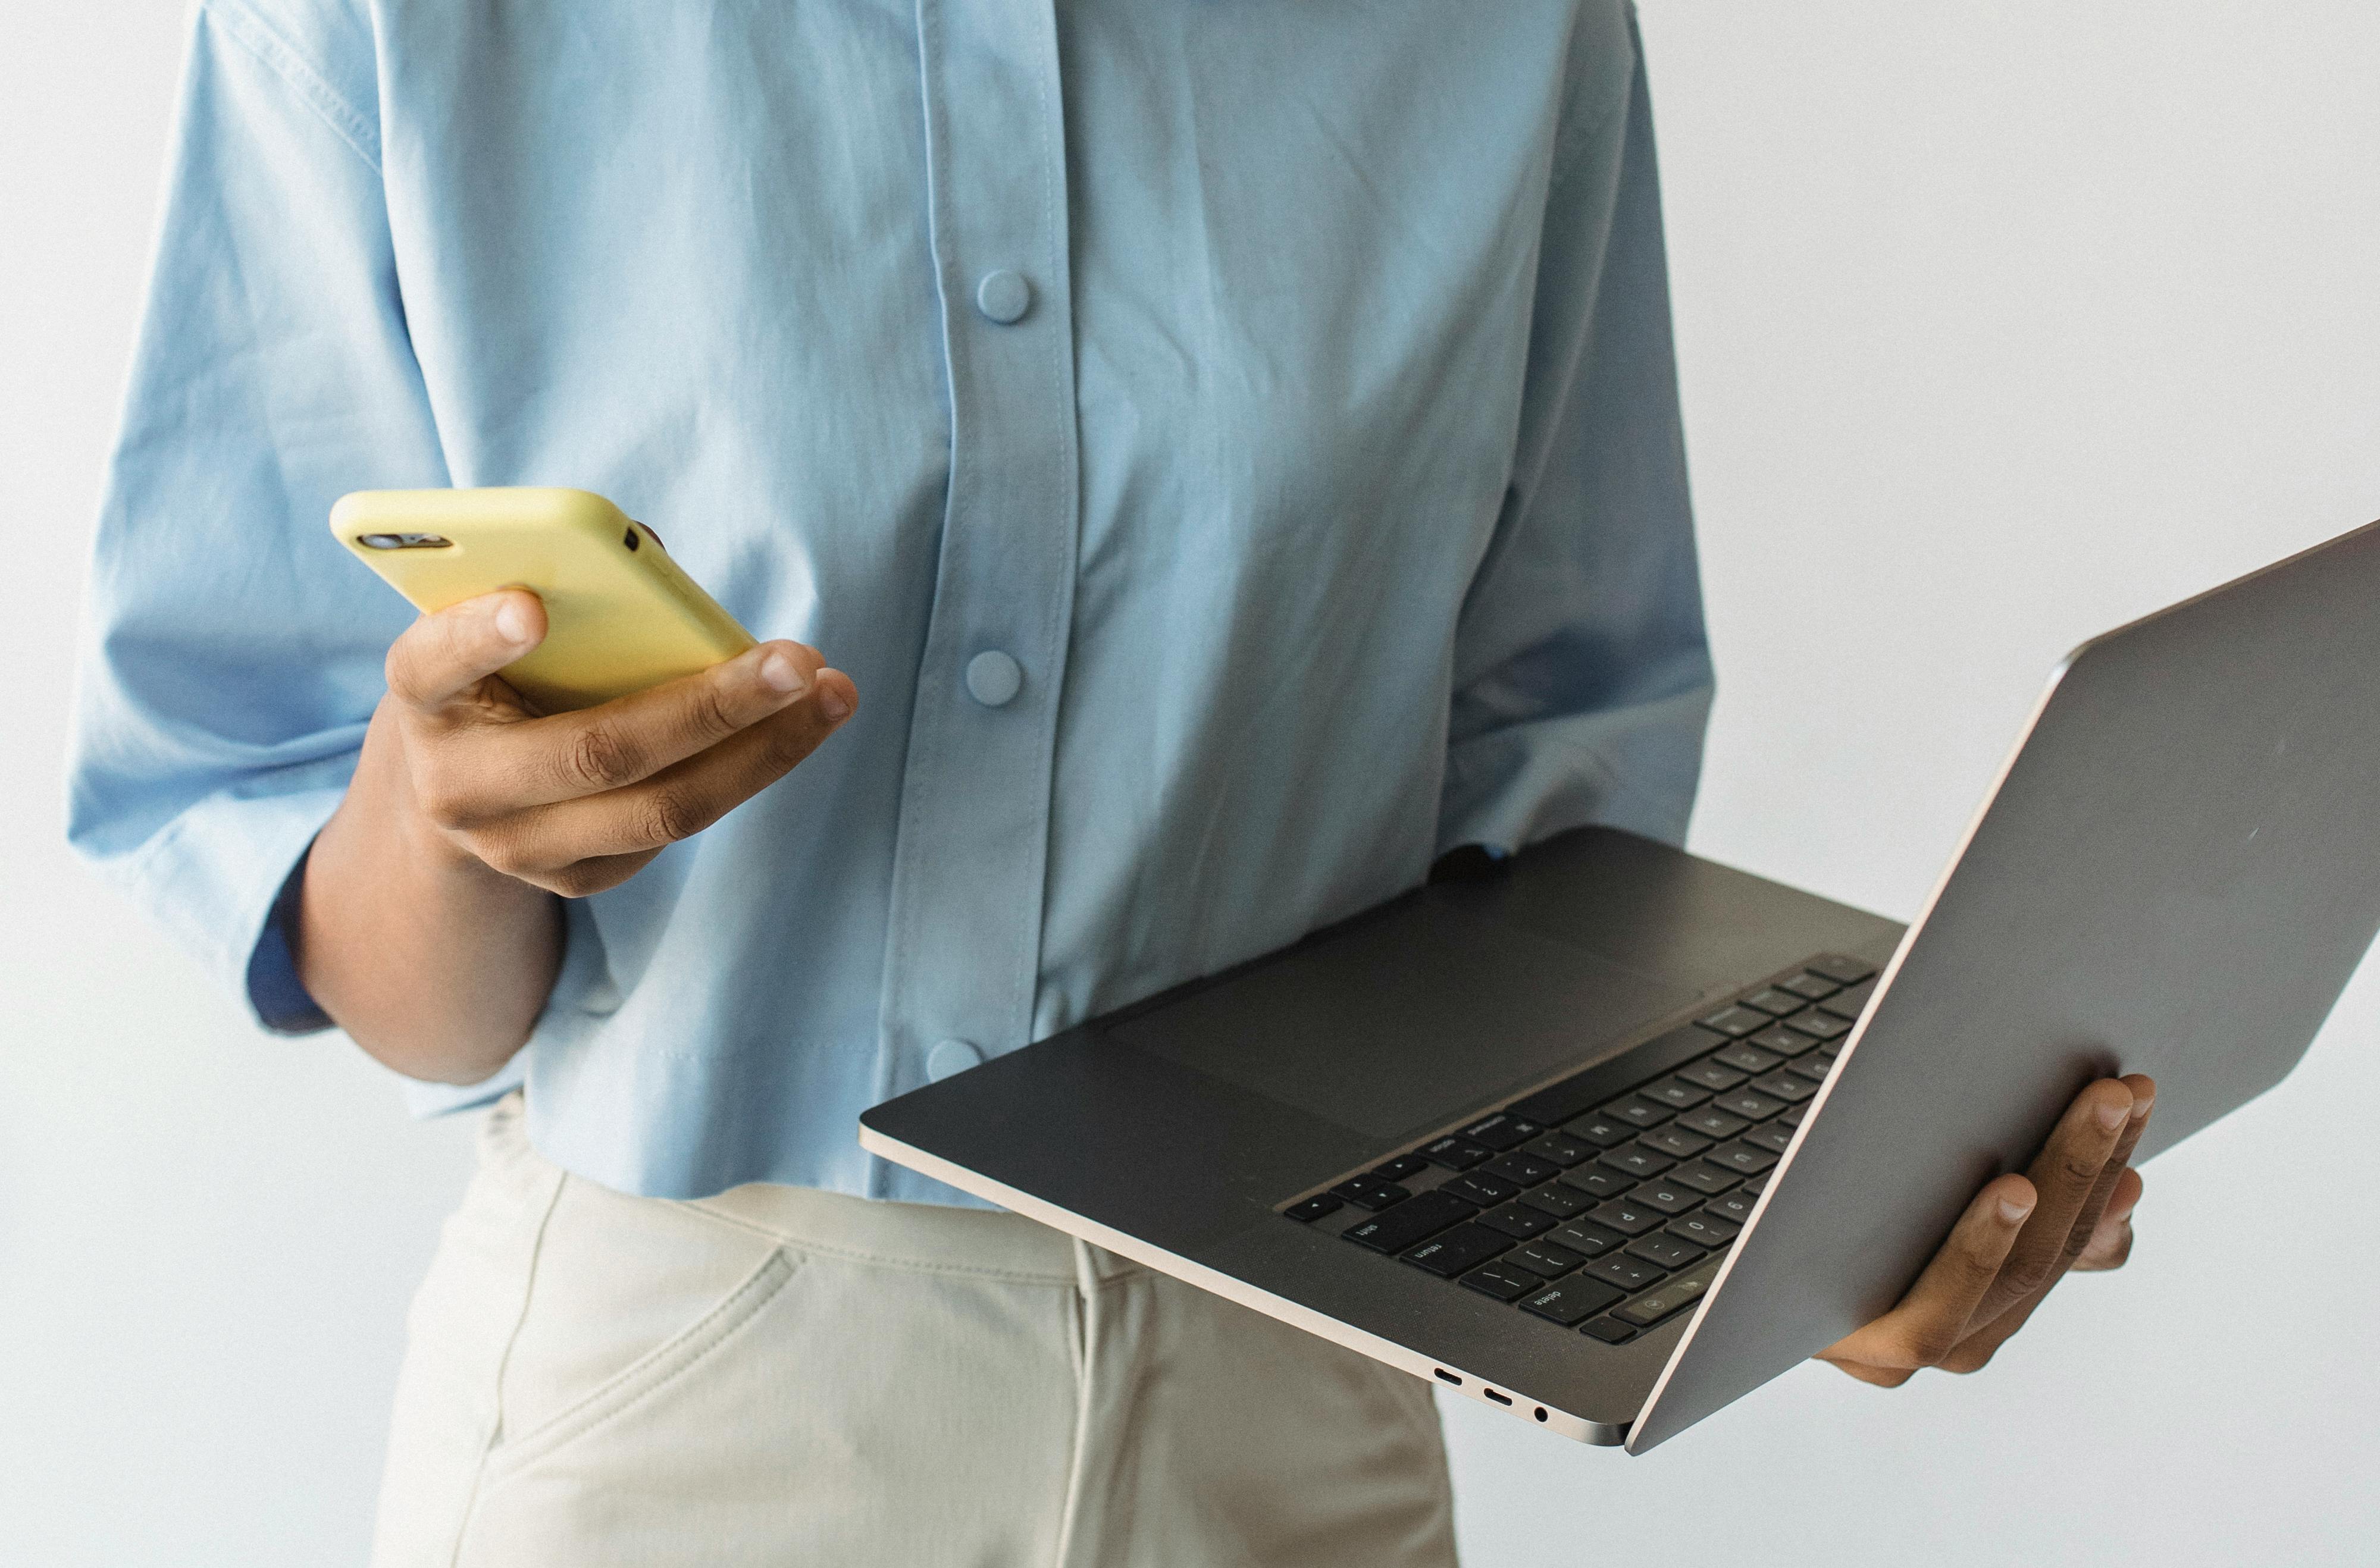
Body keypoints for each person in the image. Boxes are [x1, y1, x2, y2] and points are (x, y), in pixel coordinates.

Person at [68, 2, 2149, 1563]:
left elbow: (1553, 800)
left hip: (1298, 1415)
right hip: (679, 1404)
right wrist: (444, 822)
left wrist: (1783, 1240)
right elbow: (352, 937)